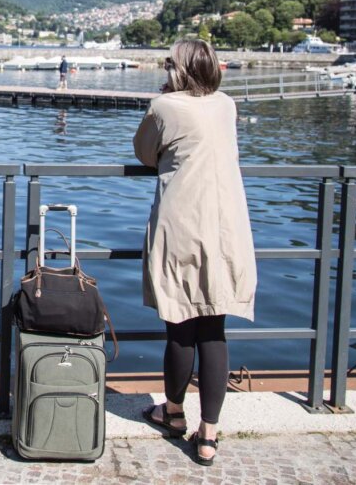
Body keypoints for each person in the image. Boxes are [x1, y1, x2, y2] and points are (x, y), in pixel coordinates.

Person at [132, 38, 257, 467]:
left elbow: (145, 153)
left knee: (180, 327)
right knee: (213, 328)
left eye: (169, 63)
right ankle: (209, 435)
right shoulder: (226, 105)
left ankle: (172, 412)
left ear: (178, 70)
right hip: (226, 227)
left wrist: (163, 101)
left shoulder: (164, 107)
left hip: (182, 226)